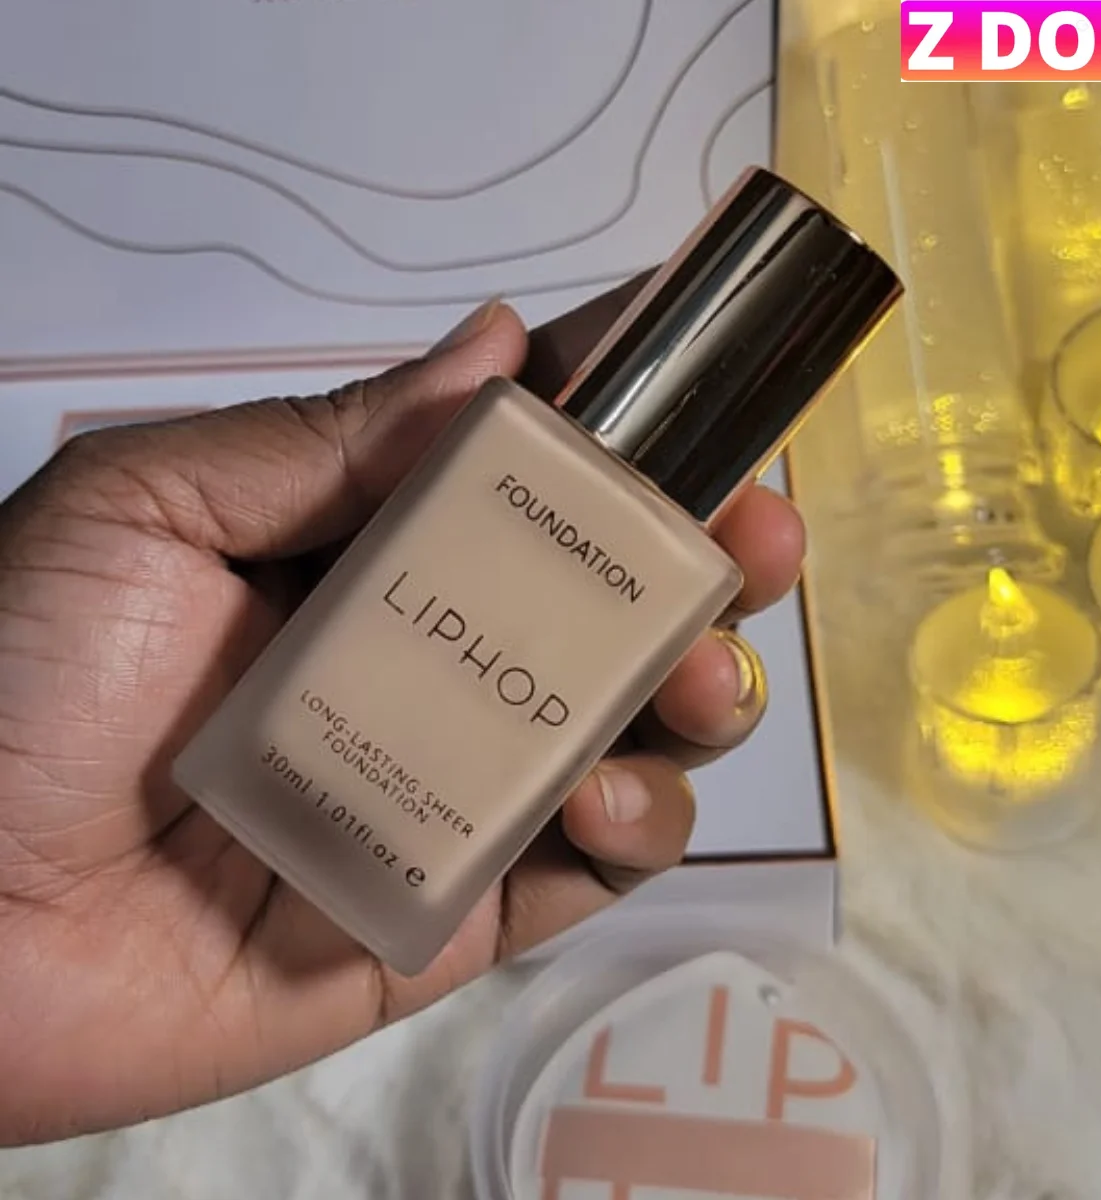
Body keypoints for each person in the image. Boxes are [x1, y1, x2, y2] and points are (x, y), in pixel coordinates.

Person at [0, 282, 806, 1146]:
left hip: (270, 903)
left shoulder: (670, 552)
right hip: (194, 804)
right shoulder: (515, 435)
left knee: (607, 702)